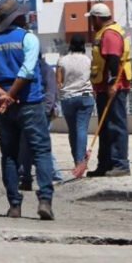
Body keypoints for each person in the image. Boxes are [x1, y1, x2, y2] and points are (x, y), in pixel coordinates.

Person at [0, 0, 56, 220]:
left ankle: (14, 205)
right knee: (41, 151)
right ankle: (45, 200)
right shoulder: (28, 39)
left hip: (5, 109)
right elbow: (27, 71)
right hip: (29, 102)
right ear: (18, 18)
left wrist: (2, 95)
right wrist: (10, 95)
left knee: (10, 155)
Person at [85, 3, 132, 177]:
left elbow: (113, 60)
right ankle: (104, 164)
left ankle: (120, 164)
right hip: (104, 87)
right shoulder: (104, 32)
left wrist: (113, 84)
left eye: (91, 19)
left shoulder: (110, 34)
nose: (91, 23)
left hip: (113, 87)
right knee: (105, 127)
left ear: (97, 18)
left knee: (116, 125)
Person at [19, 55, 62, 190]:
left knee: (39, 146)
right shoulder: (28, 69)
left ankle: (54, 175)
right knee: (27, 145)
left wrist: (46, 111)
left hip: (42, 112)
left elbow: (50, 92)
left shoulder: (45, 69)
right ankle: (26, 177)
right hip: (30, 111)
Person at [56, 35, 95, 167]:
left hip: (67, 98)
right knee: (82, 129)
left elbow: (59, 82)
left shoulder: (62, 60)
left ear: (70, 45)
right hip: (85, 96)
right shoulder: (88, 60)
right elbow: (93, 77)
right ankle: (80, 161)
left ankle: (76, 160)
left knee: (72, 130)